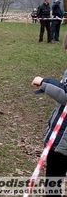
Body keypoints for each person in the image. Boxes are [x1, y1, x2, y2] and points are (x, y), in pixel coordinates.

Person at [31, 36, 67, 196]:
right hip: (60, 137)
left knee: (54, 181)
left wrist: (44, 82)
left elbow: (65, 93)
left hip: (62, 143)